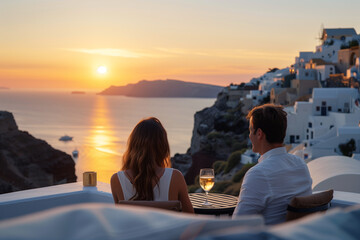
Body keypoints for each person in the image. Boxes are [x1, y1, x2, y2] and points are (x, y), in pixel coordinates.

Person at [232, 104, 312, 225]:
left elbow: (237, 225)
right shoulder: (300, 164)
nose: (249, 136)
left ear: (259, 134)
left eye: (250, 130)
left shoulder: (259, 174)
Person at [110, 117, 194, 213]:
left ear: (133, 145)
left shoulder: (117, 180)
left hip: (135, 228)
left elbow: (120, 219)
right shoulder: (175, 177)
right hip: (167, 228)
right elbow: (190, 219)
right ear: (163, 146)